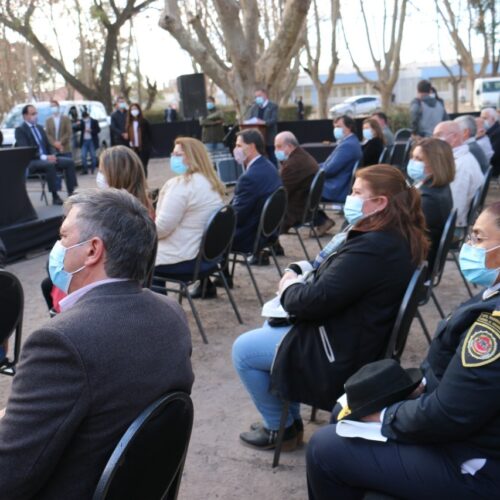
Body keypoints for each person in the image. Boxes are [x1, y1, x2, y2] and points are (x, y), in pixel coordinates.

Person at [0, 189, 194, 498]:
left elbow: (8, 477)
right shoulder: (171, 313)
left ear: (92, 250)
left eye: (63, 236)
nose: (57, 247)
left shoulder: (61, 342)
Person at [306, 203, 500, 500]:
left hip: (476, 463)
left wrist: (386, 416)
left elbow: (450, 414)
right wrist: (415, 389)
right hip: (467, 433)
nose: (469, 245)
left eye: (478, 238)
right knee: (346, 412)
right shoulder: (492, 295)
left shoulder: (493, 327)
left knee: (325, 448)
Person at [232, 165, 428, 450]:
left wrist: (288, 287)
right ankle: (288, 422)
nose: (350, 198)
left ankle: (280, 430)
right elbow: (331, 285)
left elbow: (312, 302)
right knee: (269, 327)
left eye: (357, 192)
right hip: (354, 335)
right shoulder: (395, 234)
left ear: (380, 202)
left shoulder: (373, 248)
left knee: (243, 351)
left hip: (340, 351)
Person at [41, 146, 154, 314]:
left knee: (51, 279)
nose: (99, 176)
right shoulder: (142, 211)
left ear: (117, 174)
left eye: (102, 171)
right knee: (47, 282)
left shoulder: (120, 218)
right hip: (118, 290)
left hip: (96, 295)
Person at [154, 137, 225, 299]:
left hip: (185, 258)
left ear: (193, 157)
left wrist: (140, 230)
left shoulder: (181, 185)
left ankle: (159, 310)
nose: (173, 158)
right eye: (173, 154)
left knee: (139, 260)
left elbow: (162, 228)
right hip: (208, 258)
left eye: (178, 154)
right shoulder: (211, 182)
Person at [231, 128, 282, 259]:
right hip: (268, 232)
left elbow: (237, 215)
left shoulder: (249, 177)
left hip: (250, 236)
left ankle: (220, 272)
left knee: (206, 235)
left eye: (239, 146)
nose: (235, 150)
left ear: (252, 147)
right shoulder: (269, 166)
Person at [15, 104, 77, 205]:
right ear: (25, 116)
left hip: (47, 158)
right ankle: (55, 196)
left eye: (36, 113)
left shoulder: (39, 128)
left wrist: (53, 155)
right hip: (32, 160)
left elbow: (48, 145)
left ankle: (72, 193)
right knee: (50, 165)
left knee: (69, 162)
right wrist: (45, 157)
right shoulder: (20, 130)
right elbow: (26, 150)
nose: (36, 115)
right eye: (33, 113)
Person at [407, 138, 454, 272]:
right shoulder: (438, 188)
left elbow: (406, 235)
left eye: (419, 159)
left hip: (417, 265)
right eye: (413, 157)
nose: (413, 162)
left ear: (436, 164)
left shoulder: (429, 200)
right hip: (420, 256)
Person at [433, 120, 484, 229]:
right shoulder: (458, 159)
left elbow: (455, 209)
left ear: (454, 137)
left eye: (438, 135)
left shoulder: (460, 165)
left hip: (453, 228)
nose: (434, 140)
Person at [274, 131, 318, 233]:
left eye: (279, 147)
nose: (276, 151)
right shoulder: (301, 155)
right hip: (306, 205)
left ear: (289, 146)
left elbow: (279, 192)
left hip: (294, 212)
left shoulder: (293, 164)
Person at [320, 115, 362, 204]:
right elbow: (327, 164)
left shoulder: (348, 145)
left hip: (335, 189)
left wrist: (311, 170)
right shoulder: (351, 141)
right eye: (335, 127)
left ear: (349, 127)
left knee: (302, 185)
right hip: (338, 186)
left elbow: (329, 170)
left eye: (338, 127)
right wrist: (312, 167)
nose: (336, 130)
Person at [245, 88, 279, 166]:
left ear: (265, 95)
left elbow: (274, 120)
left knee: (272, 157)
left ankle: (274, 171)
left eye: (259, 96)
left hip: (269, 136)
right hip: (257, 138)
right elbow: (250, 119)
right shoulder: (254, 107)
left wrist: (263, 122)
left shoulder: (273, 106)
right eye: (256, 96)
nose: (257, 98)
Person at [124, 102, 152, 177]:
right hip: (134, 148)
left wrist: (149, 146)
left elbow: (150, 134)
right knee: (136, 166)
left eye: (135, 109)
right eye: (132, 109)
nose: (134, 111)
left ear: (139, 110)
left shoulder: (144, 121)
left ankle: (144, 181)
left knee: (143, 165)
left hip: (144, 147)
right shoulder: (129, 123)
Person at [77, 110, 101, 175]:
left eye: (85, 118)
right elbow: (78, 128)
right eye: (83, 118)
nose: (85, 119)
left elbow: (98, 130)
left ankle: (93, 169)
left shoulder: (94, 121)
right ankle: (85, 170)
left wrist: (91, 130)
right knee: (83, 155)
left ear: (88, 116)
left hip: (91, 141)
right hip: (84, 141)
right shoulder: (82, 122)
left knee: (93, 156)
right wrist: (78, 124)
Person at [480, 107, 500, 176]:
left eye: (485, 118)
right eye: (481, 118)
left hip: (494, 172)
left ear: (493, 119)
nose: (482, 121)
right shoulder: (489, 132)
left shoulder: (497, 133)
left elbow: (492, 155)